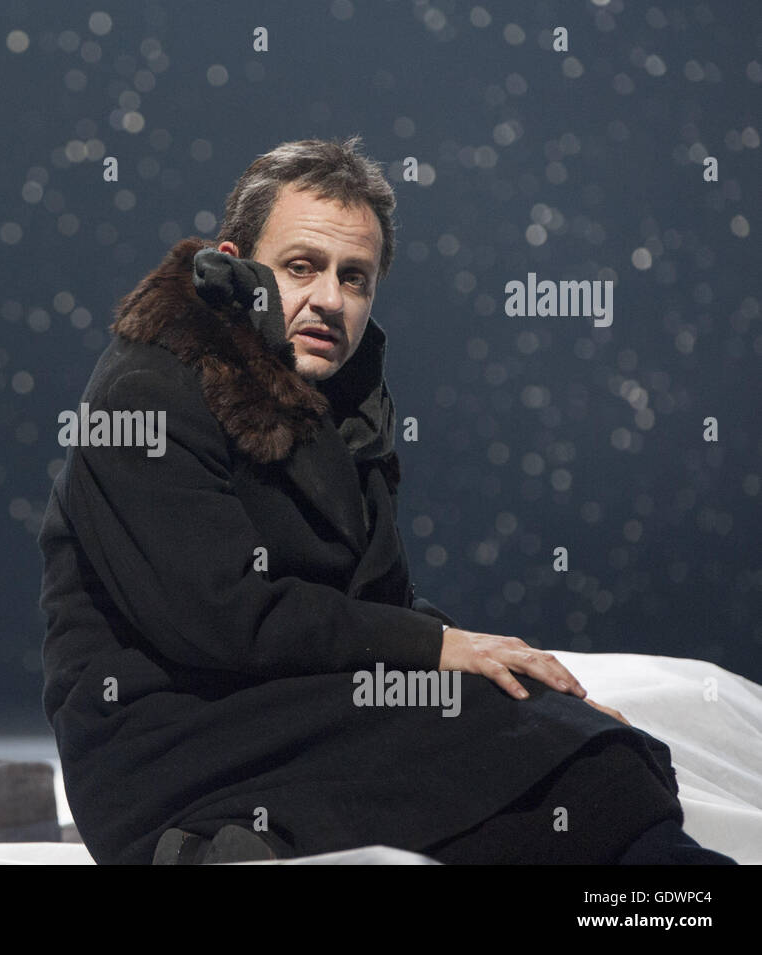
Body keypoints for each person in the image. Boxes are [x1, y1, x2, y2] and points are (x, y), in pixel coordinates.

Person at [36, 137, 735, 865]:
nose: (330, 299)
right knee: (529, 743)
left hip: (290, 705)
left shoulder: (342, 408)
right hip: (165, 741)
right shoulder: (148, 392)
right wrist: (441, 650)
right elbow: (220, 618)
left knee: (569, 750)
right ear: (234, 263)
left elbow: (379, 602)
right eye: (302, 267)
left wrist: (512, 673)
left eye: (356, 277)